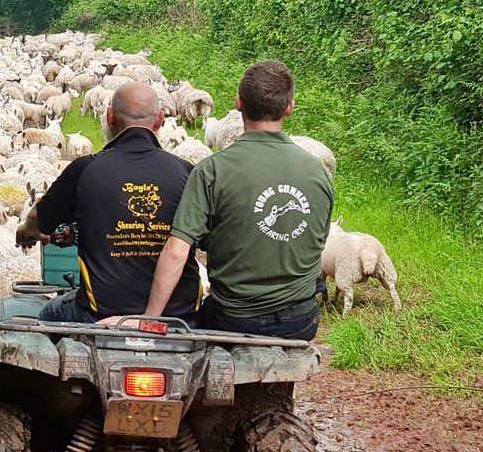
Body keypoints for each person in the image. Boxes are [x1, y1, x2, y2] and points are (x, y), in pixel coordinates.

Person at [103, 60, 333, 340]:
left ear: (238, 104)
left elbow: (176, 251)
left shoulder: (212, 170)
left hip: (234, 319)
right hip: (300, 321)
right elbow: (317, 240)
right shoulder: (318, 171)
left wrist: (149, 319)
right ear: (289, 107)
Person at [15, 82, 202, 324]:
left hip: (101, 314)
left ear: (109, 117)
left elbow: (39, 220)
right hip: (180, 317)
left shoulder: (84, 170)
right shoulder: (187, 172)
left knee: (47, 314)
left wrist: (25, 232)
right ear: (160, 121)